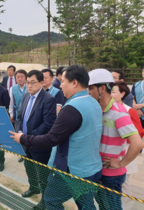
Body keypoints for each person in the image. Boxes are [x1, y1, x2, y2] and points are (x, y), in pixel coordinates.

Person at [10, 65, 103, 210]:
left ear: (74, 83)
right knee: (86, 204)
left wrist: (23, 139)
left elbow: (51, 138)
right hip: (91, 168)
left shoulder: (72, 108)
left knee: (50, 200)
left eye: (63, 81)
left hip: (71, 172)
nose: (60, 85)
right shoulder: (93, 102)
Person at [88, 69, 143, 210]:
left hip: (111, 176)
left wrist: (120, 163)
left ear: (101, 89)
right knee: (102, 206)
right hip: (97, 170)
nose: (87, 92)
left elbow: (137, 144)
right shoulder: (96, 109)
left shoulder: (119, 113)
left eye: (90, 88)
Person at [15, 70, 56, 209]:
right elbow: (19, 116)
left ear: (41, 82)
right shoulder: (26, 95)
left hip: (39, 145)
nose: (29, 85)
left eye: (33, 82)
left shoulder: (48, 99)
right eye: (27, 82)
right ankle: (33, 188)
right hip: (25, 143)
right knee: (29, 168)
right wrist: (19, 132)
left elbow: (47, 125)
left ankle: (45, 200)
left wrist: (28, 138)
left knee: (43, 175)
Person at [111, 81, 144, 195]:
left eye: (113, 92)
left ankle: (125, 204)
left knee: (123, 183)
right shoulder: (107, 109)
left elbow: (139, 134)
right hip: (111, 154)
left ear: (122, 94)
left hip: (126, 150)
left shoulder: (129, 111)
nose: (110, 94)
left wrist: (121, 135)